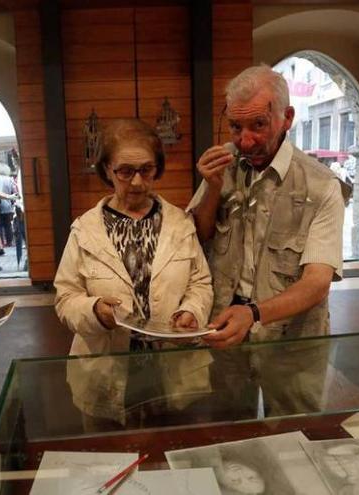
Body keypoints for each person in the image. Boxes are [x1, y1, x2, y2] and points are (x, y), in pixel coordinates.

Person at [188, 65, 346, 418]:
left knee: (294, 432)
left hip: (291, 338)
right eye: (235, 126)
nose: (245, 141)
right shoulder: (223, 165)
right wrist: (212, 190)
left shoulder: (321, 186)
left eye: (258, 124)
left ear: (287, 117)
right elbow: (200, 237)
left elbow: (318, 282)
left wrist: (255, 314)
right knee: (227, 427)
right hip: (226, 329)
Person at [54, 118, 213, 427]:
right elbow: (65, 297)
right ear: (106, 170)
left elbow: (200, 282)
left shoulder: (181, 224)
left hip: (172, 371)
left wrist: (191, 311)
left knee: (173, 460)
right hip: (105, 369)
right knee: (107, 459)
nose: (138, 182)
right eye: (125, 172)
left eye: (146, 170)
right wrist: (94, 311)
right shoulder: (84, 230)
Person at [0, 162, 18, 255]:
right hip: (8, 204)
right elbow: (14, 191)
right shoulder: (10, 179)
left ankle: (1, 242)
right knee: (7, 224)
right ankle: (9, 241)